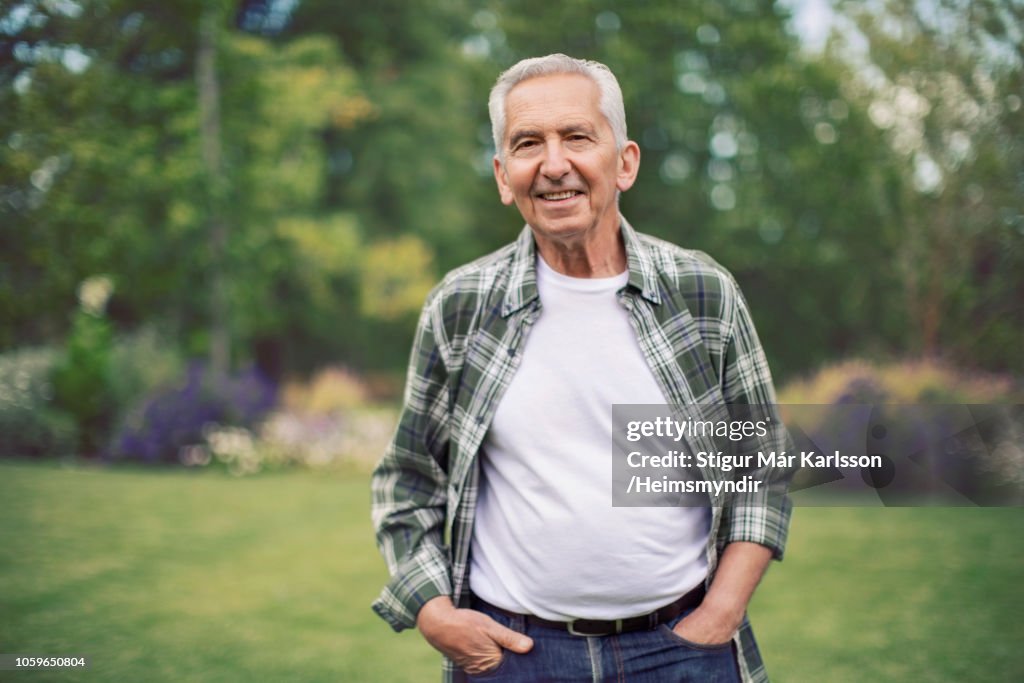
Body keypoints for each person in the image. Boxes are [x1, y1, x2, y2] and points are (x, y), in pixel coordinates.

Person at [371, 53, 792, 682]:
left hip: (679, 650)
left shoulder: (702, 292)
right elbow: (408, 479)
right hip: (512, 657)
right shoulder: (461, 306)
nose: (553, 164)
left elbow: (760, 466)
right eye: (527, 144)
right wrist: (433, 612)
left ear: (624, 162)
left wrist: (722, 612)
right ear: (502, 176)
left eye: (576, 137)